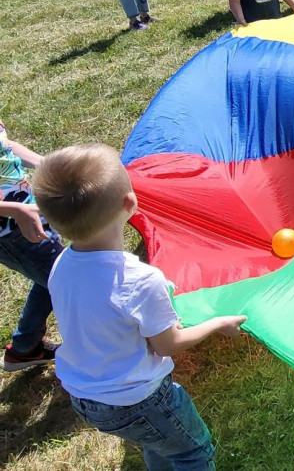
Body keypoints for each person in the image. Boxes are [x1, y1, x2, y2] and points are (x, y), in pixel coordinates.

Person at [33, 143, 247, 469]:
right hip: (139, 399)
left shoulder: (62, 264)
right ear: (130, 202)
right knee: (192, 451)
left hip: (86, 396)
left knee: (157, 441)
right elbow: (168, 344)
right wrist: (218, 324)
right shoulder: (142, 281)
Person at [0, 114, 64, 372]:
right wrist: (13, 209)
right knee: (66, 278)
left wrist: (44, 162)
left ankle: (25, 348)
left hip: (26, 210)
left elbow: (4, 145)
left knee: (53, 276)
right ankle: (101, 348)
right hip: (9, 230)